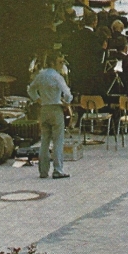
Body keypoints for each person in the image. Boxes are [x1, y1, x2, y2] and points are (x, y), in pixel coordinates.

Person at [27, 51, 73, 179]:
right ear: (53, 62)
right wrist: (66, 103)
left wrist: (37, 99)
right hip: (55, 108)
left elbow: (31, 89)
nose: (61, 64)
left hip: (44, 108)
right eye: (60, 62)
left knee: (45, 140)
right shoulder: (57, 77)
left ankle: (43, 170)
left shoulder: (40, 75)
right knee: (58, 140)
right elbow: (68, 94)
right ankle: (58, 169)